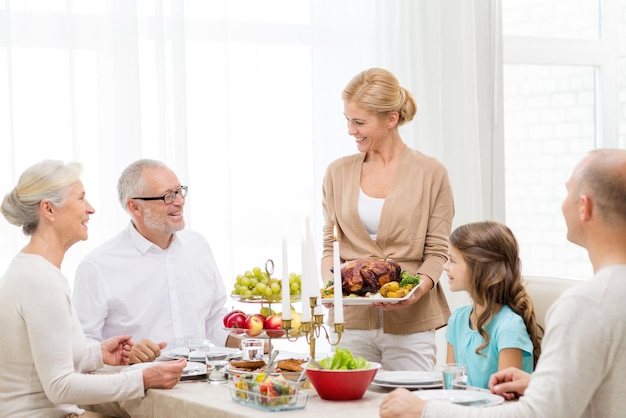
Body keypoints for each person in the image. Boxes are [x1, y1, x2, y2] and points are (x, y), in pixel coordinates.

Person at [379, 148, 626, 418]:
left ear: (584, 206)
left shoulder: (587, 305)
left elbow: (533, 415)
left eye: (567, 192)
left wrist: (425, 410)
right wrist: (538, 385)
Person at [0, 160, 185, 418]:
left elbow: (42, 360)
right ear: (49, 210)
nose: (91, 209)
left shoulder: (36, 270)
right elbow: (60, 387)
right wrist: (143, 379)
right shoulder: (38, 280)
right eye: (81, 198)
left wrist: (98, 354)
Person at [321, 68, 454, 371]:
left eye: (359, 122)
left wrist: (415, 291)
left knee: (407, 406)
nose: (351, 130)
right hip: (350, 322)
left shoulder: (431, 173)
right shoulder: (337, 172)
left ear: (391, 119)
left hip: (410, 323)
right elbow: (330, 245)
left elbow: (436, 251)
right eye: (347, 120)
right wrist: (333, 288)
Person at [73, 159, 236, 365]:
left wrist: (246, 341)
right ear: (135, 207)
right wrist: (126, 356)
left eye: (179, 191)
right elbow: (80, 344)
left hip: (201, 381)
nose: (180, 202)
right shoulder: (98, 265)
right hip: (139, 390)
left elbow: (213, 316)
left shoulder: (198, 246)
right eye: (168, 196)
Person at [444, 221, 543, 389]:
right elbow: (450, 389)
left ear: (479, 267)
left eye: (452, 260)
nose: (445, 267)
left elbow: (504, 400)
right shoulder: (457, 320)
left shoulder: (509, 327)